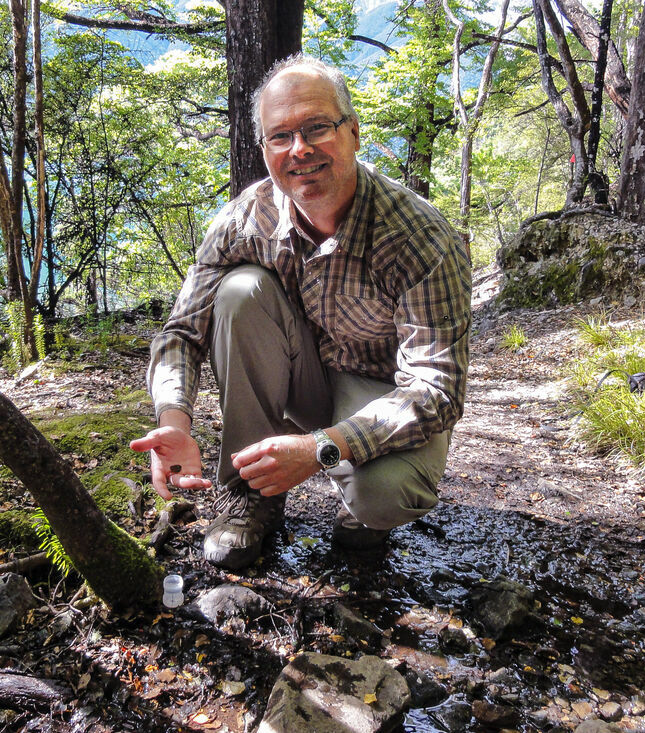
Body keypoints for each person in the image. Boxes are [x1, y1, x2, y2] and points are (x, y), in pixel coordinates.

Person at [130, 53, 471, 570]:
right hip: (305, 375)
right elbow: (182, 331)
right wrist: (173, 417)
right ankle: (250, 493)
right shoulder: (245, 219)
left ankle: (360, 512)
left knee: (384, 497)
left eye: (317, 128)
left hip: (382, 391)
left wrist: (321, 449)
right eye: (280, 136)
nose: (300, 150)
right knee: (240, 291)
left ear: (353, 132)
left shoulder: (419, 238)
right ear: (264, 149)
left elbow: (436, 389)